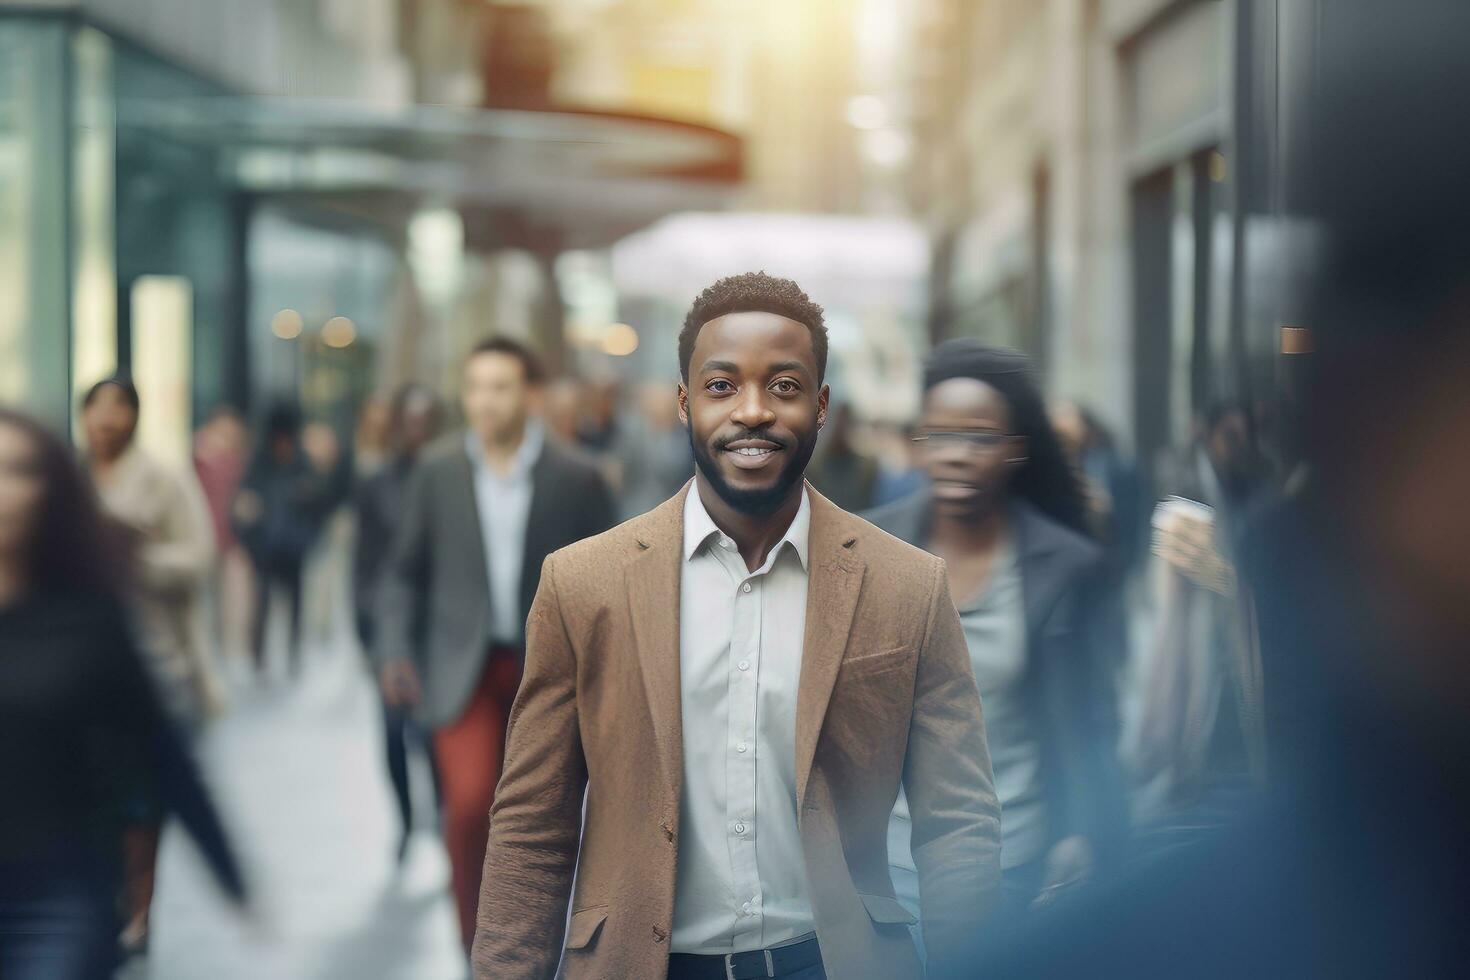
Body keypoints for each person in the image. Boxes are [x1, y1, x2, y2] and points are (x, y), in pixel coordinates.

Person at [473, 273, 1001, 980]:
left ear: (821, 407)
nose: (752, 412)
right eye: (722, 387)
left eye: (783, 387)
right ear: (686, 404)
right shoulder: (582, 584)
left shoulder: (907, 586)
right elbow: (532, 830)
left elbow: (957, 822)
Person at [866, 343, 1127, 933]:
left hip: (1018, 866)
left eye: (980, 438)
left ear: (1014, 452)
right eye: (940, 436)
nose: (956, 455)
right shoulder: (868, 551)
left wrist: (1083, 832)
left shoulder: (1066, 566)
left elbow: (1093, 718)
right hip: (888, 872)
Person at [375, 338, 615, 950]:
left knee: (543, 818)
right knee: (470, 803)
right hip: (463, 668)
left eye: (500, 386)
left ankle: (537, 942)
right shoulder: (438, 470)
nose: (485, 401)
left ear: (530, 395)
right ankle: (477, 948)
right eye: (475, 386)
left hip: (549, 669)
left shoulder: (576, 476)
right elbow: (402, 571)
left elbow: (613, 579)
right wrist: (395, 652)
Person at [0, 408, 244, 980]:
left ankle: (138, 913)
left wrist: (231, 876)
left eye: (17, 470)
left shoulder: (89, 619)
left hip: (59, 896)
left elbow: (164, 754)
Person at [81, 377, 222, 724]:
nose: (106, 420)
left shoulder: (163, 478)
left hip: (157, 655)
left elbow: (200, 555)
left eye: (118, 407)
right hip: (85, 660)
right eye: (96, 408)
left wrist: (136, 560)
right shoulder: (70, 477)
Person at [352, 383, 444, 862]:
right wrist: (367, 629)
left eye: (424, 422)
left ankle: (445, 817)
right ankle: (406, 819)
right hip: (390, 628)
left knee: (432, 731)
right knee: (392, 731)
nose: (416, 431)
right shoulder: (378, 483)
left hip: (441, 631)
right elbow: (363, 564)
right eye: (408, 422)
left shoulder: (453, 481)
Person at [232, 404, 337, 672]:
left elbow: (318, 507)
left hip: (293, 547)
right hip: (265, 547)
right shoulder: (260, 462)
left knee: (296, 605)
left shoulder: (302, 462)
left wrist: (307, 539)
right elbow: (242, 504)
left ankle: (293, 654)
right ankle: (259, 656)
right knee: (262, 604)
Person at [806, 402, 880, 512]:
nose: (841, 429)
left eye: (846, 423)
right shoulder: (812, 466)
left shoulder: (867, 468)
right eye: (838, 423)